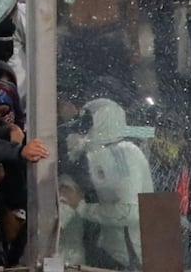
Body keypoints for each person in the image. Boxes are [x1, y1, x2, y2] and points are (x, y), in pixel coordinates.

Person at [58, 98, 154, 269]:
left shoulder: (125, 154)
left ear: (103, 122)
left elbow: (130, 212)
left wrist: (82, 207)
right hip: (110, 253)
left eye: (88, 122)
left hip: (130, 258)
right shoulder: (100, 155)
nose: (84, 130)